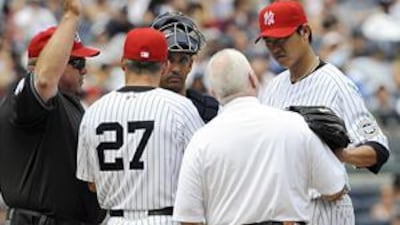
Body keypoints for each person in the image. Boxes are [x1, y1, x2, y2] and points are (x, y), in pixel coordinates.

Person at [173, 48, 347, 225]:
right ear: (252, 79)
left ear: (212, 92)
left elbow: (188, 218)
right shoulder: (295, 124)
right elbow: (334, 189)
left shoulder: (201, 139)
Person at [255, 1, 390, 225]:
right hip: (284, 211)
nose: (276, 48)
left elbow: (378, 149)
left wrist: (340, 154)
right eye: (269, 41)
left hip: (325, 210)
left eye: (282, 39)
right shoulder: (272, 88)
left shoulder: (336, 83)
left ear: (305, 32)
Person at [76, 27, 204, 225]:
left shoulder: (94, 111)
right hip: (165, 218)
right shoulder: (180, 107)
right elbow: (201, 173)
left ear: (123, 63)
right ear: (164, 65)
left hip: (115, 219)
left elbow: (92, 183)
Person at [0, 0, 102, 224]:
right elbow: (44, 81)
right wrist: (71, 17)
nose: (84, 68)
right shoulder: (25, 93)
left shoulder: (69, 103)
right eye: (76, 62)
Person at [151, 11, 219, 123]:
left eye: (183, 60)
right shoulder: (142, 106)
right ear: (156, 63)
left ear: (190, 64)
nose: (176, 69)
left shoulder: (208, 109)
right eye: (169, 60)